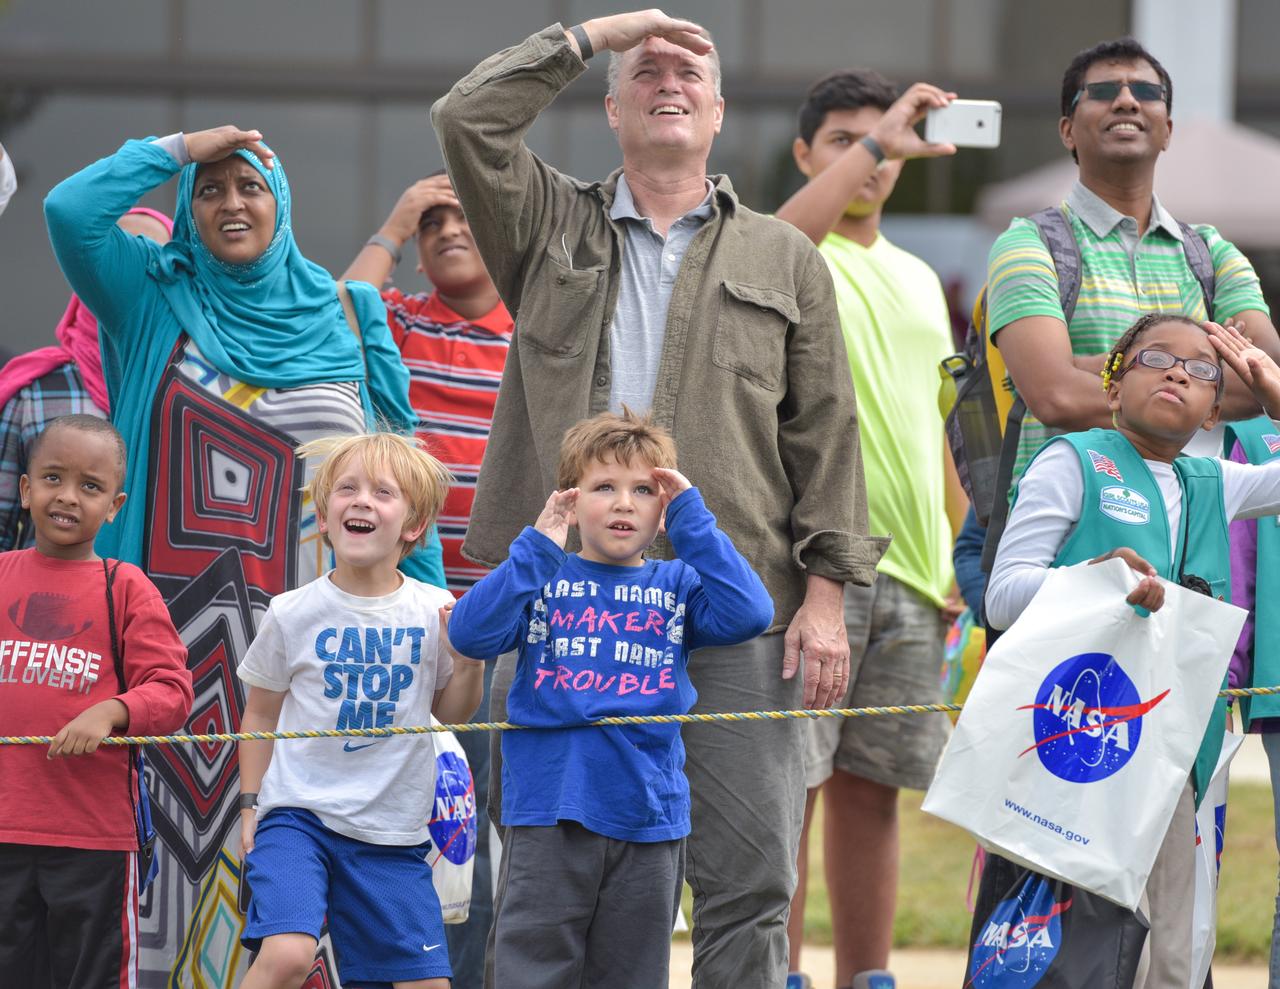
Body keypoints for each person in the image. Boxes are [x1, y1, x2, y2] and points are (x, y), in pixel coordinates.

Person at [433, 14, 900, 983]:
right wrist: (602, 30)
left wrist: (824, 597)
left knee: (748, 880)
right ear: (610, 108)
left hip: (733, 605)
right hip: (565, 606)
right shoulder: (541, 225)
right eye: (643, 71)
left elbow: (825, 436)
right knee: (551, 883)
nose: (667, 76)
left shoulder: (783, 257)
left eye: (691, 69)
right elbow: (468, 118)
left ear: (719, 112)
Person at [44, 127, 441, 985]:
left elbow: (396, 467)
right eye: (211, 190)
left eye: (249, 187)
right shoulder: (152, 298)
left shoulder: (345, 314)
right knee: (171, 867)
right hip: (174, 649)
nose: (231, 203)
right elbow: (69, 211)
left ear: (281, 203)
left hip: (324, 650)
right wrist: (179, 148)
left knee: (314, 862)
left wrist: (432, 607)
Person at [986, 314, 1280, 988]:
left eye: (1204, 370)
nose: (1180, 371)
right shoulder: (1073, 461)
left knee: (1173, 958)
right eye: (1156, 358)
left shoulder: (1216, 483)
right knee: (1082, 954)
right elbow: (1002, 594)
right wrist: (1100, 581)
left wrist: (1270, 386)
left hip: (1181, 756)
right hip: (1076, 750)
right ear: (1112, 388)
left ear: (1213, 412)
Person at [447, 409, 773, 989]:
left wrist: (693, 520)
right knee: (531, 972)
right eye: (604, 487)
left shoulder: (676, 584)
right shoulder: (540, 577)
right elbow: (470, 633)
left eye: (643, 490)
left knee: (631, 976)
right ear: (572, 502)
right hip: (547, 810)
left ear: (662, 508)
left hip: (647, 814)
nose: (624, 503)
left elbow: (751, 612)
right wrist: (536, 548)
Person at [774, 69, 961, 989]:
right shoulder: (793, 249)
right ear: (806, 156)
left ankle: (867, 977)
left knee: (871, 791)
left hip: (919, 574)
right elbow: (777, 238)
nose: (870, 155)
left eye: (880, 139)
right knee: (789, 790)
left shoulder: (923, 277)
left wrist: (960, 550)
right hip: (815, 566)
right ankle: (780, 973)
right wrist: (884, 139)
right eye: (845, 140)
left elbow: (942, 426)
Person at [343, 169, 513, 982]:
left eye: (464, 215)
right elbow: (343, 310)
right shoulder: (404, 322)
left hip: (524, 613)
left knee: (515, 826)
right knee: (449, 821)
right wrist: (398, 213)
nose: (447, 229)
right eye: (433, 223)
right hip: (427, 615)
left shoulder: (538, 332)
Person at [237, 431, 483, 989]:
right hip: (297, 819)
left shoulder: (436, 609)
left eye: (382, 492)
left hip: (392, 834)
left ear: (413, 525)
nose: (362, 500)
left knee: (428, 984)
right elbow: (259, 715)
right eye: (346, 489)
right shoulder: (290, 611)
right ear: (324, 516)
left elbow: (454, 716)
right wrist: (251, 805)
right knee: (288, 955)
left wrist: (469, 664)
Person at [988, 37, 1277, 489]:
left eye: (1146, 93)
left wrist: (1094, 366)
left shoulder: (1212, 252)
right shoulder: (1030, 243)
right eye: (1102, 92)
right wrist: (1200, 375)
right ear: (1068, 130)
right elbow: (1054, 396)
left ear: (1167, 130)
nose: (1126, 101)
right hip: (1066, 525)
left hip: (1188, 523)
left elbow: (1265, 378)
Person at [0, 414, 193, 988]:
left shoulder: (124, 585)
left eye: (90, 486)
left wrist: (111, 712)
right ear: (25, 487)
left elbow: (173, 691)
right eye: (54, 477)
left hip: (93, 840)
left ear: (114, 505)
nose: (67, 496)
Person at [0, 207, 173, 550]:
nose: (127, 277)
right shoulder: (35, 392)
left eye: (148, 262)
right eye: (115, 258)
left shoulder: (194, 389)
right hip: (46, 599)